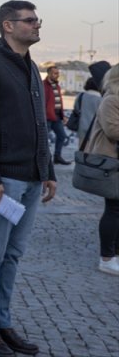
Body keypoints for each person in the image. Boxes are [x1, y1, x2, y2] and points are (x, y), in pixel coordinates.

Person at [0, 0, 56, 357]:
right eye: (30, 20)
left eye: (37, 20)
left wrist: (47, 171)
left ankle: (2, 323)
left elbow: (39, 123)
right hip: (2, 179)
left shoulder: (29, 66)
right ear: (8, 25)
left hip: (31, 179)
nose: (37, 26)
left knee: (12, 256)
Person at [81, 64, 119, 276]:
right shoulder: (111, 100)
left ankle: (115, 254)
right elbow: (113, 130)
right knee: (113, 210)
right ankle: (106, 257)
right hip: (111, 163)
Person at [76, 60, 110, 143]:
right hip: (96, 129)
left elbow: (77, 109)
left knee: (82, 149)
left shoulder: (81, 96)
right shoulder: (101, 99)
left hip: (82, 127)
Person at [44, 65, 70, 165]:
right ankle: (45, 159)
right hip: (47, 117)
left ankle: (57, 157)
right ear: (49, 73)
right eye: (55, 73)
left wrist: (63, 115)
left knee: (62, 136)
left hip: (57, 117)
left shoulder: (57, 86)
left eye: (58, 73)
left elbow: (59, 102)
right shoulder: (43, 85)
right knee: (43, 139)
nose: (57, 75)